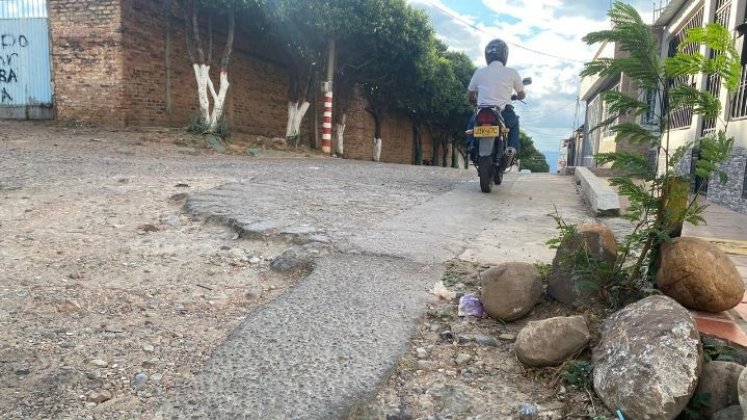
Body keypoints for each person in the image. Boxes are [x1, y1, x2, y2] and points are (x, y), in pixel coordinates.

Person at [467, 38, 526, 164]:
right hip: (504, 112)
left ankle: (471, 145)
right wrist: (516, 96)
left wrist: (474, 100)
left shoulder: (479, 72)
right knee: (514, 124)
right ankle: (511, 149)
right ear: (505, 55)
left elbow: (470, 95)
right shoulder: (511, 72)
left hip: (482, 111)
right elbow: (521, 94)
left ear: (487, 55)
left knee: (471, 124)